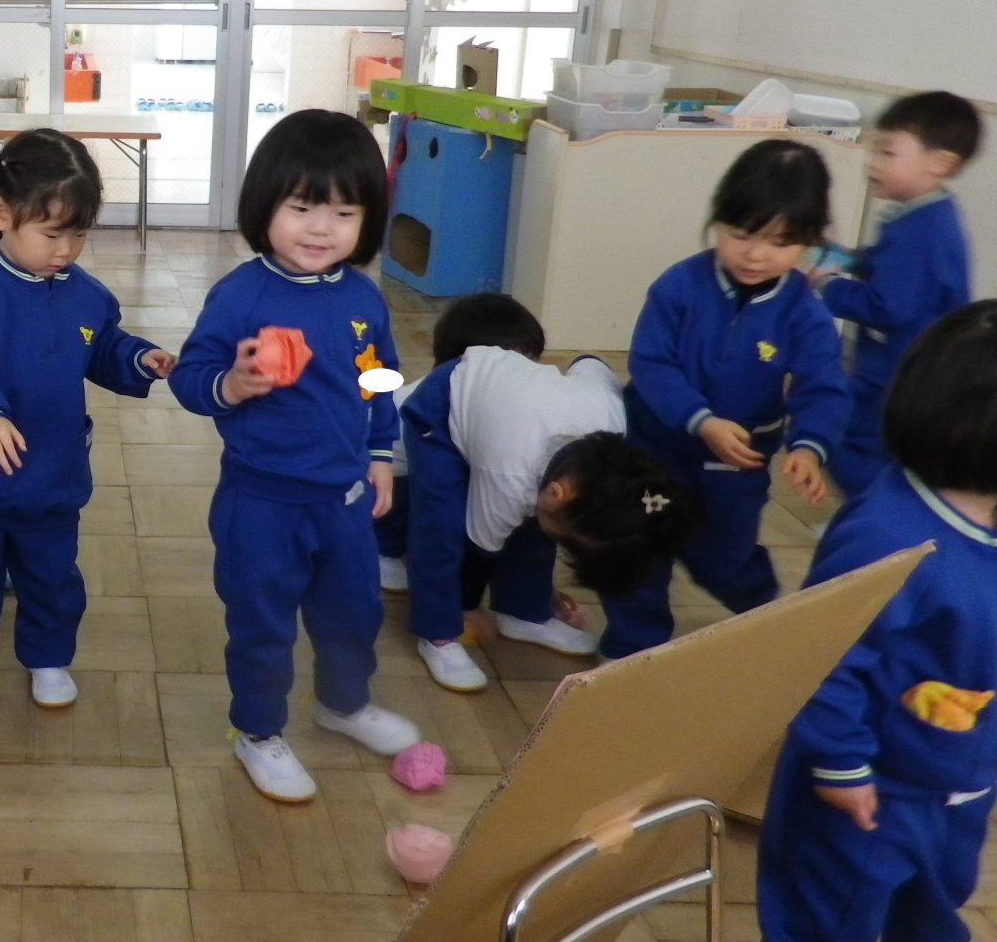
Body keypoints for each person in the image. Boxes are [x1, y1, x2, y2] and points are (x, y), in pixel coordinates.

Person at [743, 302, 997, 942]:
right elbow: (821, 659)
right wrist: (840, 764)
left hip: (963, 773)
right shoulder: (888, 536)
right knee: (830, 908)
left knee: (942, 890)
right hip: (869, 784)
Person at [168, 110, 419, 802]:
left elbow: (378, 379)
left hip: (343, 500)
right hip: (260, 503)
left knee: (353, 613)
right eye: (302, 207)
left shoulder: (364, 299)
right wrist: (232, 384)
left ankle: (343, 703)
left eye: (344, 212)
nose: (321, 229)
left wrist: (379, 453)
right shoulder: (241, 296)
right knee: (263, 624)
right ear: (265, 206)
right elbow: (191, 379)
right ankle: (258, 731)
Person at [0, 129, 172, 716]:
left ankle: (48, 656)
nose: (66, 250)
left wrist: (139, 358)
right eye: (52, 234)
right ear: (3, 215)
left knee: (53, 576)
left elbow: (101, 347)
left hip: (52, 473)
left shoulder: (86, 295)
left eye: (79, 234)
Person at [599, 140, 848, 661]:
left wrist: (809, 446)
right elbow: (651, 363)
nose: (755, 255)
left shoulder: (805, 315)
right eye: (742, 235)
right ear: (717, 221)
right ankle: (631, 649)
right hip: (653, 449)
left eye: (780, 243)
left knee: (723, 558)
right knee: (637, 545)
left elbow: (822, 387)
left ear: (810, 244)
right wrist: (701, 420)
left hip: (735, 466)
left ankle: (764, 612)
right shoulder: (678, 286)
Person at [402, 346, 695, 693]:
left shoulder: (613, 420)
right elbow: (477, 549)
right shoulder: (509, 476)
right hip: (445, 403)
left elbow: (590, 363)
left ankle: (524, 611)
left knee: (537, 530)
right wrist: (466, 606)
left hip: (513, 415)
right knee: (441, 530)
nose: (562, 545)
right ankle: (436, 634)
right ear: (558, 492)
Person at [813, 92, 980, 498]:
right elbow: (890, 267)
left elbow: (888, 305)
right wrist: (853, 260)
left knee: (849, 441)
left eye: (888, 153)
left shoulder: (921, 231)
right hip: (903, 368)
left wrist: (829, 286)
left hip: (899, 372)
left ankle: (872, 513)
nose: (873, 164)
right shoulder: (926, 214)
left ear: (940, 163)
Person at [375, 292, 547, 596]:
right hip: (386, 482)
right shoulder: (431, 402)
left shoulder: (493, 402)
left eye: (531, 364)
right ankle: (383, 549)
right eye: (514, 366)